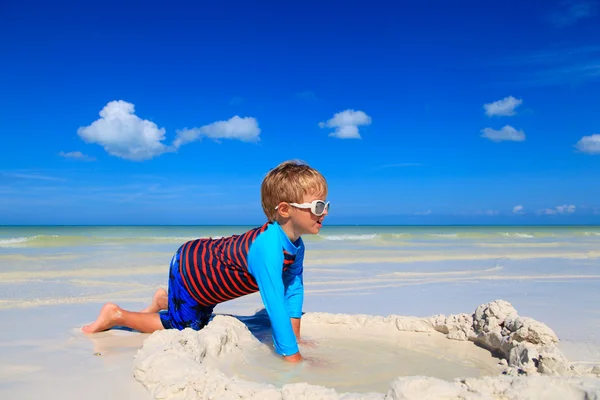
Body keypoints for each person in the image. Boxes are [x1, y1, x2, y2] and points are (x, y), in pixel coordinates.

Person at [82, 160, 329, 363]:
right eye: (318, 206)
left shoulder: (296, 246)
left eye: (326, 204)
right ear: (285, 210)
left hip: (203, 269)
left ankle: (164, 300)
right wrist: (292, 356)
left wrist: (295, 338)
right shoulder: (268, 248)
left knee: (196, 312)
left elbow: (293, 290)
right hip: (191, 268)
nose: (325, 212)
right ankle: (116, 315)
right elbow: (274, 302)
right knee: (186, 327)